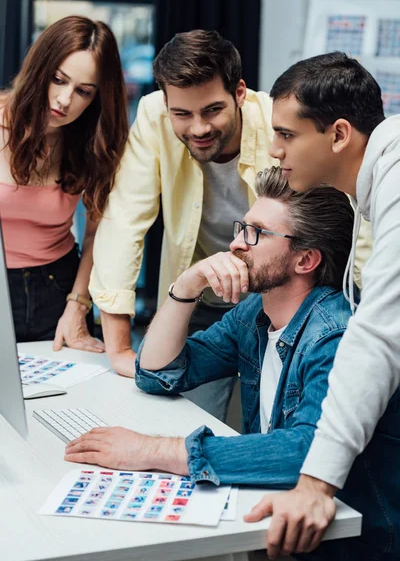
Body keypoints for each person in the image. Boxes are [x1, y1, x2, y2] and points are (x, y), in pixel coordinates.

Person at [66, 168, 400, 559]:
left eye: (256, 233)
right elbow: (157, 374)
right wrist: (186, 287)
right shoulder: (256, 312)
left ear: (306, 259)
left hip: (350, 544)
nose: (236, 244)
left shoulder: (335, 334)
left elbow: (307, 451)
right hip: (278, 527)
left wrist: (152, 451)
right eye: (243, 227)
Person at [89, 30, 371, 421]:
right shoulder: (154, 117)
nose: (199, 128)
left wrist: (364, 315)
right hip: (213, 297)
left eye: (212, 111)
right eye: (182, 114)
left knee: (285, 423)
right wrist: (120, 347)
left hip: (289, 297)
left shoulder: (281, 126)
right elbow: (123, 222)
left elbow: (353, 224)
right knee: (185, 415)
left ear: (239, 93)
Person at [242, 51, 400, 559]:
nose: (273, 149)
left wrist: (315, 484)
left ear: (337, 134)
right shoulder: (372, 185)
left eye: (287, 135)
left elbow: (379, 336)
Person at [0, 15, 128, 352]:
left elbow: (95, 234)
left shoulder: (92, 144)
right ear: (39, 70)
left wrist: (77, 305)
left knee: (70, 399)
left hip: (59, 289)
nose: (63, 100)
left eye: (83, 91)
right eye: (58, 80)